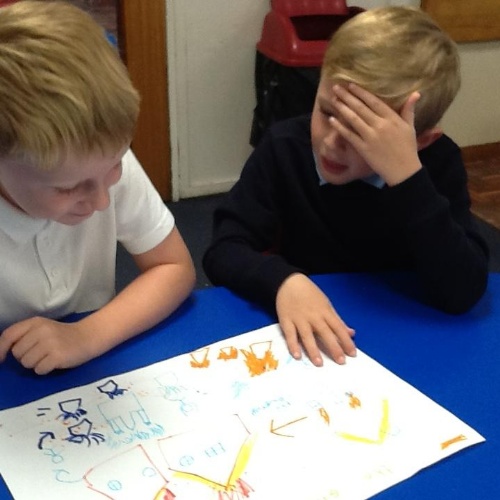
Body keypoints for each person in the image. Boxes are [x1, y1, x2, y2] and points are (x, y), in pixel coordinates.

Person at [203, 6, 489, 368]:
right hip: (311, 341)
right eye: (327, 112)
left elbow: (464, 291)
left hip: (407, 339)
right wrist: (283, 281)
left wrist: (407, 179)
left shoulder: (437, 163)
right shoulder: (284, 147)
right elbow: (224, 249)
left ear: (419, 142)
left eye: (362, 133)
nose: (332, 143)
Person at [0, 1, 196, 375]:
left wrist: (86, 336)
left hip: (88, 365)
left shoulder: (95, 158)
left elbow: (173, 266)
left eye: (116, 165)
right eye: (67, 188)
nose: (102, 200)